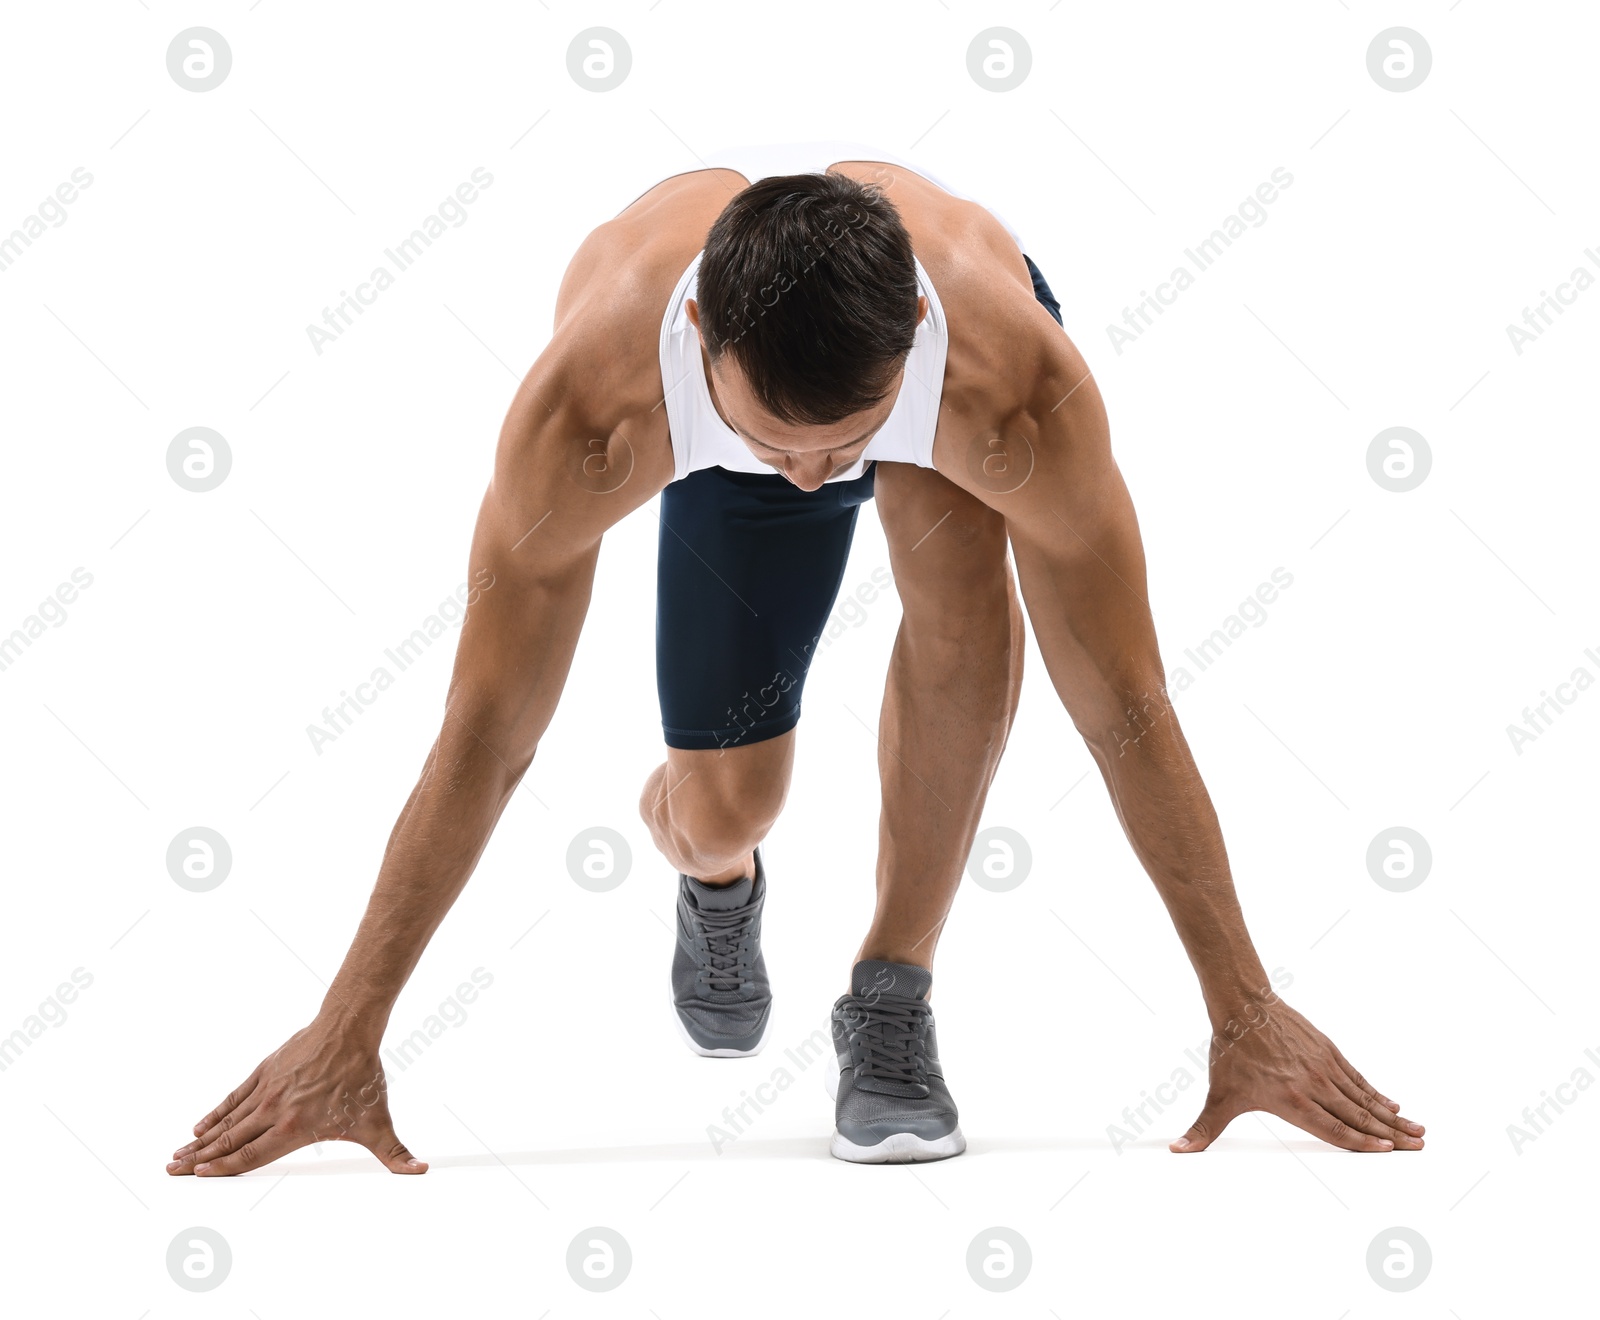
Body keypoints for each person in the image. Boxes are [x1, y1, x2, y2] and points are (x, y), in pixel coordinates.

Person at [166, 141, 1423, 1175]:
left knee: (964, 615)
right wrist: (349, 1032)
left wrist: (1242, 1009)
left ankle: (891, 997)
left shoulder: (1009, 388)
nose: (823, 477)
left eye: (849, 442)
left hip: (927, 413)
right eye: (788, 445)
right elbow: (488, 731)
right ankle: (718, 880)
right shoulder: (595, 416)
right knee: (727, 805)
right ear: (703, 334)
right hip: (710, 430)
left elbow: (1125, 708)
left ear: (919, 325)